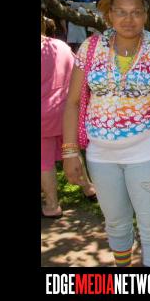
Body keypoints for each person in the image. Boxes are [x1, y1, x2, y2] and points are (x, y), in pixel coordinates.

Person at [62, 0, 150, 267]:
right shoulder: (91, 47)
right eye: (121, 12)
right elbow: (73, 102)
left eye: (136, 12)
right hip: (101, 156)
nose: (129, 19)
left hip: (147, 152)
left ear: (146, 15)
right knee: (116, 224)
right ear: (110, 15)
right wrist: (70, 152)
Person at [41, 17, 96, 218]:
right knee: (71, 150)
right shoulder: (61, 46)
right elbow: (78, 73)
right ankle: (89, 188)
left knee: (44, 161)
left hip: (44, 117)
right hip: (66, 111)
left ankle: (52, 205)